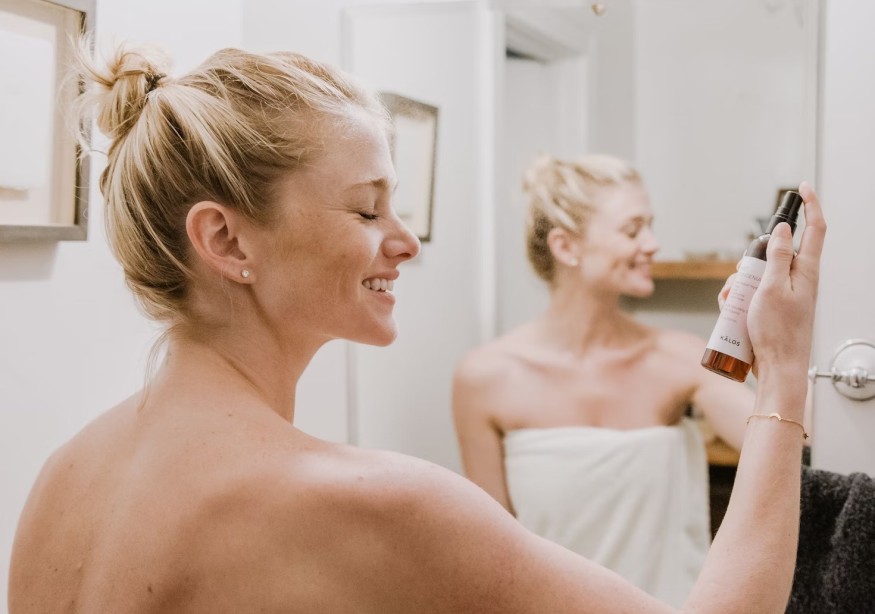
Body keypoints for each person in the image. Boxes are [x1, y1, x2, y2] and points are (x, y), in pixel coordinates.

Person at [8, 39, 825, 614]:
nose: (404, 240)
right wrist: (783, 369)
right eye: (367, 207)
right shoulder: (368, 500)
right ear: (225, 240)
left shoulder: (65, 477)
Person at [451, 154, 781, 605]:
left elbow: (779, 446)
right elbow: (491, 552)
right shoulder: (485, 379)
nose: (652, 244)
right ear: (567, 247)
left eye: (650, 226)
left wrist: (776, 355)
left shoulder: (681, 358)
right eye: (632, 230)